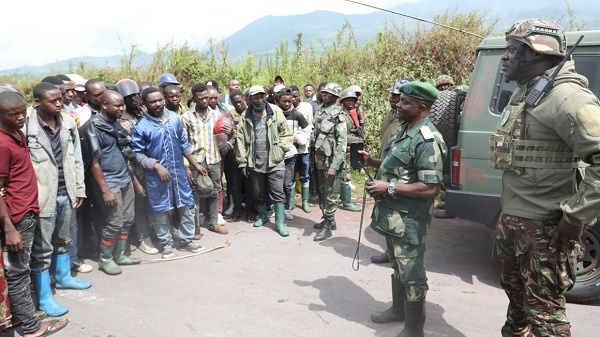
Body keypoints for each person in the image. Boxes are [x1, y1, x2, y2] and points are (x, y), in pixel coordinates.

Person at [491, 19, 600, 337]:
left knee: (546, 317)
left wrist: (576, 216)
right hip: (515, 220)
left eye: (512, 50)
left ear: (537, 54)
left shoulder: (568, 99)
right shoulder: (527, 93)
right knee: (518, 304)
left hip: (545, 228)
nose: (505, 57)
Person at [361, 81, 445, 337]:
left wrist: (389, 188)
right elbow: (397, 167)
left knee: (412, 273)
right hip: (392, 218)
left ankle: (414, 329)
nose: (398, 104)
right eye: (399, 100)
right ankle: (398, 310)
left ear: (422, 106)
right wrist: (372, 162)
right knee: (397, 266)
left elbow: (431, 188)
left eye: (405, 102)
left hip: (410, 221)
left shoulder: (427, 140)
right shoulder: (404, 131)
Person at [0, 90, 69, 336]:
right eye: (13, 114)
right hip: (16, 217)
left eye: (22, 111)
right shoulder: (2, 142)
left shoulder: (16, 133)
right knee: (18, 271)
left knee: (22, 267)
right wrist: (9, 228)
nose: (21, 117)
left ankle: (21, 314)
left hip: (27, 211)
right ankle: (31, 326)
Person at [25, 82, 91, 317]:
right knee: (42, 248)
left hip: (67, 191)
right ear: (38, 102)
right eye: (53, 100)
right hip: (42, 195)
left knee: (63, 239)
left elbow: (76, 159)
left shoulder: (67, 122)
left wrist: (79, 188)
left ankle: (63, 278)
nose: (59, 103)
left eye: (60, 99)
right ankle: (44, 297)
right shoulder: (26, 125)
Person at [131, 87, 206, 259]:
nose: (157, 104)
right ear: (144, 103)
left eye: (159, 100)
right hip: (156, 177)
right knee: (160, 210)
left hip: (179, 173)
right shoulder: (141, 126)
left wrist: (195, 164)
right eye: (152, 101)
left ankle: (187, 241)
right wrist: (156, 166)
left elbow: (183, 143)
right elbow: (137, 154)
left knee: (186, 206)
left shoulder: (174, 118)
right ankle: (166, 244)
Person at [82, 91, 141, 275]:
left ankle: (120, 254)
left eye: (122, 105)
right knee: (114, 221)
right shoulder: (94, 127)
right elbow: (94, 163)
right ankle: (105, 258)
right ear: (104, 104)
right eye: (117, 105)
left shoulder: (114, 122)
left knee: (128, 218)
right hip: (109, 182)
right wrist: (105, 190)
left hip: (124, 177)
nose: (121, 108)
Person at [235, 85, 293, 237]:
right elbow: (240, 140)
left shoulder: (275, 111)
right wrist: (242, 162)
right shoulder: (245, 116)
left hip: (275, 161)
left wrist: (280, 150)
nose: (260, 100)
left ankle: (280, 223)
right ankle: (263, 216)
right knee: (258, 192)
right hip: (255, 162)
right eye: (256, 97)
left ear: (266, 96)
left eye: (262, 96)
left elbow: (286, 134)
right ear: (250, 99)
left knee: (278, 193)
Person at [115, 79, 159, 255]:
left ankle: (156, 231)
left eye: (135, 95)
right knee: (139, 206)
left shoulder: (146, 113)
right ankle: (143, 238)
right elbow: (125, 154)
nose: (133, 99)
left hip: (152, 166)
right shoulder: (122, 121)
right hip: (136, 170)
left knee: (154, 203)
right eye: (128, 97)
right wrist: (135, 180)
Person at [181, 83, 230, 235]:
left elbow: (222, 137)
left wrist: (230, 133)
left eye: (206, 98)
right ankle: (195, 227)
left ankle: (213, 223)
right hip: (196, 161)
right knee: (195, 193)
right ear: (194, 98)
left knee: (215, 191)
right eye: (200, 98)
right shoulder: (186, 117)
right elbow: (183, 143)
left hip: (214, 159)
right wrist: (187, 166)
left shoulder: (217, 115)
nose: (204, 101)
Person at [371, 79, 409, 264]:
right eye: (392, 96)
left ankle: (399, 256)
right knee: (384, 215)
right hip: (384, 168)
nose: (393, 100)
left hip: (398, 177)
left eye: (397, 97)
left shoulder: (407, 120)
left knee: (398, 219)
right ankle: (390, 252)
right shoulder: (391, 114)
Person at [311, 83, 347, 241]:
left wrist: (334, 166)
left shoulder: (338, 114)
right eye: (324, 92)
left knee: (332, 193)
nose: (324, 95)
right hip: (319, 159)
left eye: (329, 93)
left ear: (336, 97)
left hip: (331, 160)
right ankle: (329, 219)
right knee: (322, 191)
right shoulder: (320, 109)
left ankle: (328, 226)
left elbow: (341, 143)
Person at [278, 87, 309, 220]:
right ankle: (275, 208)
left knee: (288, 182)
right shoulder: (274, 113)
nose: (286, 104)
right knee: (275, 182)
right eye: (284, 101)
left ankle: (286, 208)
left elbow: (308, 130)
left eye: (289, 101)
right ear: (279, 100)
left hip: (290, 154)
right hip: (276, 154)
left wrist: (299, 139)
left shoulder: (297, 115)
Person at [228, 89, 255, 222]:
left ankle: (251, 211)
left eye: (240, 102)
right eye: (235, 103)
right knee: (235, 184)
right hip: (233, 155)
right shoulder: (228, 114)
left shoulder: (251, 112)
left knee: (250, 183)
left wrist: (235, 131)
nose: (238, 105)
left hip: (248, 153)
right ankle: (237, 210)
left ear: (245, 99)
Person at [338, 89, 363, 212]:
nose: (351, 103)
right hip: (343, 148)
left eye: (353, 100)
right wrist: (358, 139)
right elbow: (343, 135)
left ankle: (343, 199)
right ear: (342, 101)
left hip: (348, 149)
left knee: (345, 174)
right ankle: (346, 203)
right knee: (345, 176)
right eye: (348, 100)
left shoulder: (351, 113)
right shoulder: (342, 115)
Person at [290, 85, 313, 213]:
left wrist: (304, 142)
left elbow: (309, 126)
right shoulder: (287, 108)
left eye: (295, 96)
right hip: (291, 148)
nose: (293, 99)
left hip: (304, 148)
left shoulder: (307, 107)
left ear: (300, 96)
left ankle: (305, 201)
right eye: (291, 97)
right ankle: (292, 201)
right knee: (291, 174)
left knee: (305, 174)